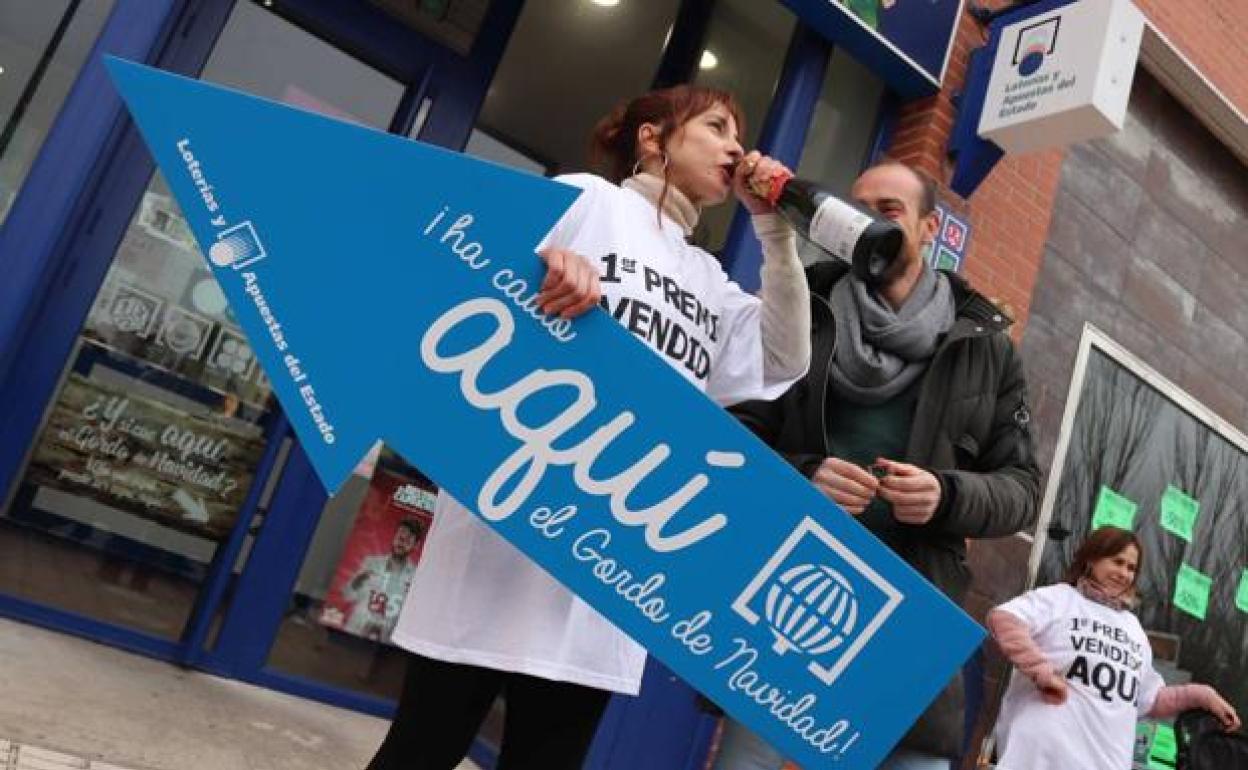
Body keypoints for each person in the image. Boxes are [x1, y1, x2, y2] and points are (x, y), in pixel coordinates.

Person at [365, 84, 812, 770]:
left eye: (739, 134)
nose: (736, 147)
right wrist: (540, 263)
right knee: (420, 750)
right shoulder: (586, 200)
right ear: (653, 140)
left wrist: (775, 234)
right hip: (503, 538)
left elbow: (785, 359)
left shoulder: (709, 277)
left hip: (606, 571)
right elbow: (456, 268)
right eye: (717, 126)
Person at [715, 160, 1042, 770]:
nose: (869, 224)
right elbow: (729, 438)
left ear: (927, 229)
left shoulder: (987, 348)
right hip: (787, 595)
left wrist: (946, 495)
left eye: (888, 210)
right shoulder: (801, 303)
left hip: (909, 613)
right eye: (858, 208)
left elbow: (1022, 489)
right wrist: (805, 472)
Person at [988, 526, 1241, 769]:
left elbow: (1150, 700)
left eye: (1132, 568)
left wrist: (1203, 695)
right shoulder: (1060, 598)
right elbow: (1005, 619)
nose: (1124, 573)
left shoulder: (1133, 629)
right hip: (1041, 758)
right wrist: (1041, 671)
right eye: (1117, 562)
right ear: (1092, 560)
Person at [342, 517, 425, 642]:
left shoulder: (415, 576)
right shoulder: (371, 562)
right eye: (400, 537)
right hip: (353, 632)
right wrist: (357, 581)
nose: (401, 543)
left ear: (416, 545)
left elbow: (414, 618)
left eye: (407, 540)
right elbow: (347, 596)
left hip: (385, 643)